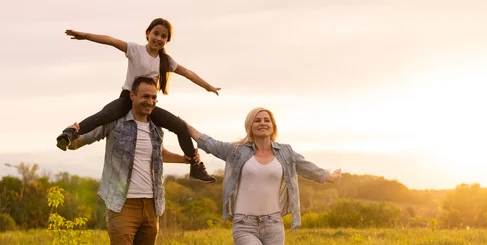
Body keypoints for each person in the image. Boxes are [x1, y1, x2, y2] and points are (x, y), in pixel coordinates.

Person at [56, 18, 218, 182]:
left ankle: (195, 167)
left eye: (163, 36)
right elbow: (111, 41)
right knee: (103, 116)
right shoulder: (135, 50)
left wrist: (208, 87)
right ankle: (70, 133)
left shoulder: (165, 61)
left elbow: (187, 73)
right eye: (156, 33)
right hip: (127, 99)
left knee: (181, 127)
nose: (159, 39)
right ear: (147, 34)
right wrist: (85, 36)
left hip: (148, 105)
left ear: (166, 41)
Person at [66, 77, 201, 245]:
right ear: (132, 95)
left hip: (152, 205)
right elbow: (78, 143)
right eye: (145, 96)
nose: (150, 102)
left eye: (153, 98)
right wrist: (69, 139)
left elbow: (159, 154)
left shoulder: (156, 127)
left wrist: (184, 160)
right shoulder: (113, 122)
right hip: (123, 206)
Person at [187, 107, 342, 245]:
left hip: (273, 224)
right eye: (257, 120)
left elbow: (306, 167)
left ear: (272, 126)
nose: (263, 123)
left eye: (267, 120)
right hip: (244, 224)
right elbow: (210, 143)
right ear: (250, 126)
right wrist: (180, 125)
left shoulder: (285, 152)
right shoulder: (236, 151)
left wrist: (328, 176)